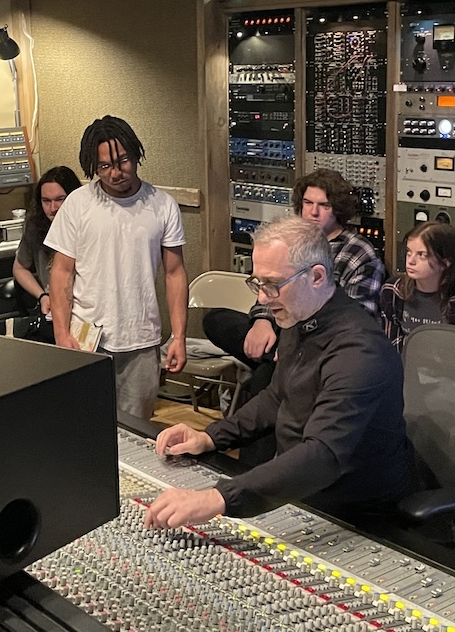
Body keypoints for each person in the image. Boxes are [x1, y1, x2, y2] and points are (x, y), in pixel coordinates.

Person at [144, 217, 414, 530]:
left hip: (356, 518)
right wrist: (211, 437)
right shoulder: (298, 318)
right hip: (304, 497)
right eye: (258, 283)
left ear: (316, 276)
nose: (261, 298)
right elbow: (277, 396)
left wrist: (216, 498)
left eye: (272, 285)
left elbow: (323, 455)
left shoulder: (359, 352)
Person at [44, 116, 188, 419]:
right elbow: (61, 273)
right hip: (86, 338)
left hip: (142, 339)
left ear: (135, 155)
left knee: (136, 429)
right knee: (84, 425)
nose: (116, 172)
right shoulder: (78, 204)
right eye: (104, 166)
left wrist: (178, 336)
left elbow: (174, 273)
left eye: (123, 161)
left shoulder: (162, 205)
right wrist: (61, 333)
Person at [204, 168, 383, 373]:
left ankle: (276, 363)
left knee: (265, 377)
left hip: (321, 340)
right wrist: (262, 321)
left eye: (324, 205)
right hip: (282, 328)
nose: (313, 212)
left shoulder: (359, 252)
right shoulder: (289, 241)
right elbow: (270, 287)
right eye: (308, 203)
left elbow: (358, 316)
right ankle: (275, 359)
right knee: (216, 319)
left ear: (338, 209)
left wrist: (295, 344)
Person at [381, 221, 455, 352]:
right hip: (405, 367)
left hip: (448, 369)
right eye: (408, 252)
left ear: (445, 262)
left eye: (422, 255)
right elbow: (391, 347)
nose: (411, 261)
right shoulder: (393, 290)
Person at [11, 166, 82, 343]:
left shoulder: (86, 225)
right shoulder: (35, 225)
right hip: (52, 310)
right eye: (46, 201)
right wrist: (42, 295)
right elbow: (20, 268)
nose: (53, 208)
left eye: (60, 200)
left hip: (82, 311)